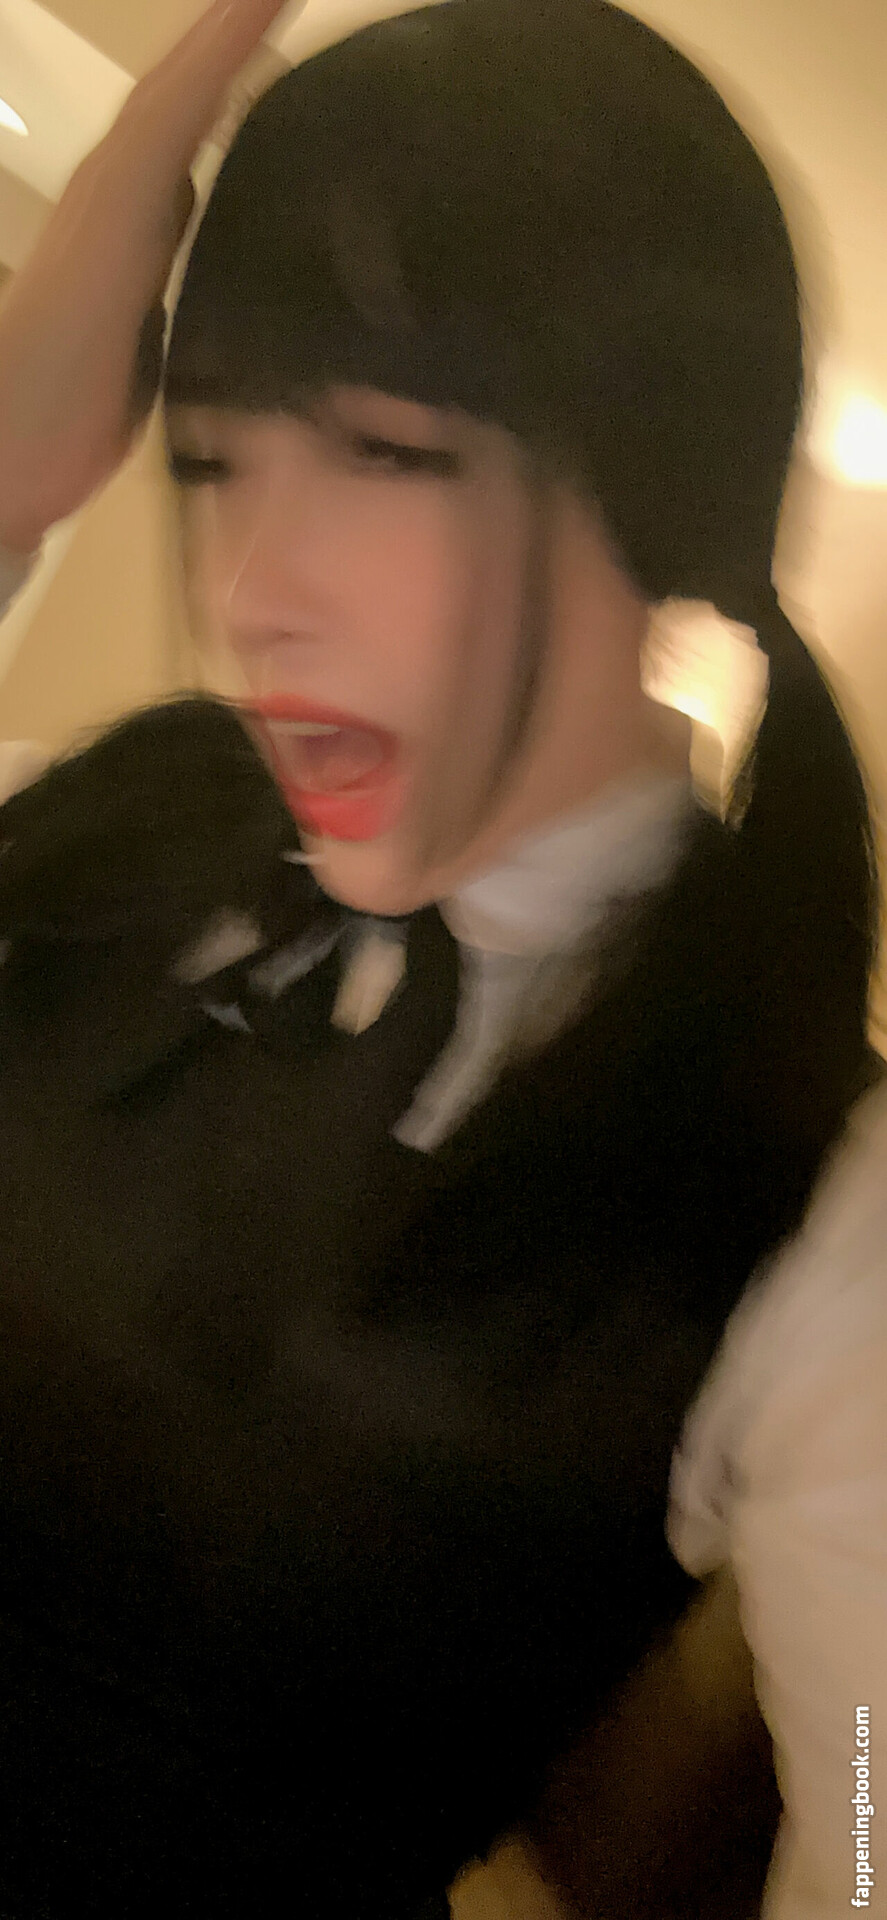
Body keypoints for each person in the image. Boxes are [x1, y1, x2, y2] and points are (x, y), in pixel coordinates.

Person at [0, 2, 883, 1915]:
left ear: (654, 483)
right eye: (214, 462)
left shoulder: (822, 1202)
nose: (250, 592)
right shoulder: (126, 822)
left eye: (386, 453)